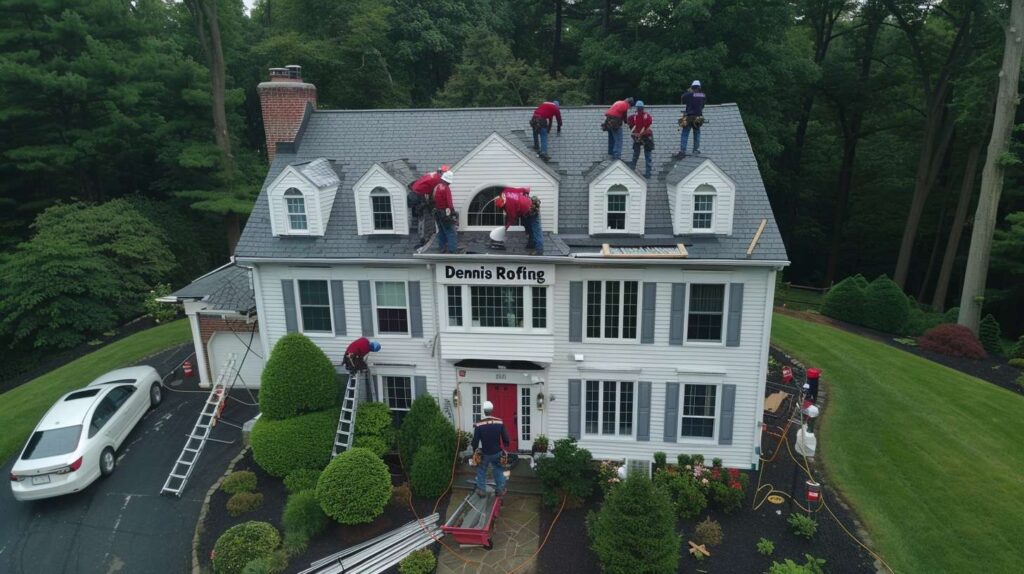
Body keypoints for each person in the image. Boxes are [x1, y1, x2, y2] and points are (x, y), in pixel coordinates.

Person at [472, 401, 510, 497]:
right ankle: (500, 490)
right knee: (498, 469)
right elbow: (505, 436)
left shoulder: (479, 424)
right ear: (492, 410)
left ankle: (481, 491)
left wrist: (474, 450)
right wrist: (506, 444)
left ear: (484, 411)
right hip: (497, 451)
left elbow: (475, 440)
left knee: (481, 470)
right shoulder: (499, 422)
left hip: (485, 452)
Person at [407, 165, 449, 247]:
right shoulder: (437, 179)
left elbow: (430, 188)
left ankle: (425, 236)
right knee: (425, 217)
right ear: (441, 173)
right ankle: (424, 239)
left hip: (416, 191)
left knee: (423, 217)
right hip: (418, 196)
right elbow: (435, 192)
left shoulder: (433, 174)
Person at [495, 187, 543, 255]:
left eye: (502, 207)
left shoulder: (509, 206)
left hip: (532, 211)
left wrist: (505, 229)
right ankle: (531, 244)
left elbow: (511, 220)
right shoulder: (506, 191)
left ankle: (539, 251)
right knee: (529, 228)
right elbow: (523, 190)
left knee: (536, 231)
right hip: (529, 206)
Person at [676, 80, 706, 158]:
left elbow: (682, 98)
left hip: (689, 117)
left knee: (685, 133)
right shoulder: (703, 95)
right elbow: (702, 106)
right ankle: (696, 150)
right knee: (697, 133)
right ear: (699, 88)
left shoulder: (689, 94)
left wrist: (689, 91)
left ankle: (683, 150)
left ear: (692, 87)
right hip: (698, 118)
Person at [433, 170, 458, 254]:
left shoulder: (437, 187)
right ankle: (452, 251)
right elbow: (449, 203)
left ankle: (442, 248)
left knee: (441, 231)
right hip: (444, 213)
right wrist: (453, 212)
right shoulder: (446, 188)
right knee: (451, 232)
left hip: (437, 212)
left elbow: (433, 199)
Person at [627, 100, 654, 178]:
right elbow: (630, 121)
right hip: (638, 135)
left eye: (640, 108)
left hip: (646, 136)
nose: (639, 110)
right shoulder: (634, 116)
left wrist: (639, 134)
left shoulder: (646, 116)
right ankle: (631, 170)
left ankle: (648, 174)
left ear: (642, 108)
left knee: (648, 155)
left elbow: (647, 127)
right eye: (638, 108)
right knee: (636, 153)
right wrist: (634, 133)